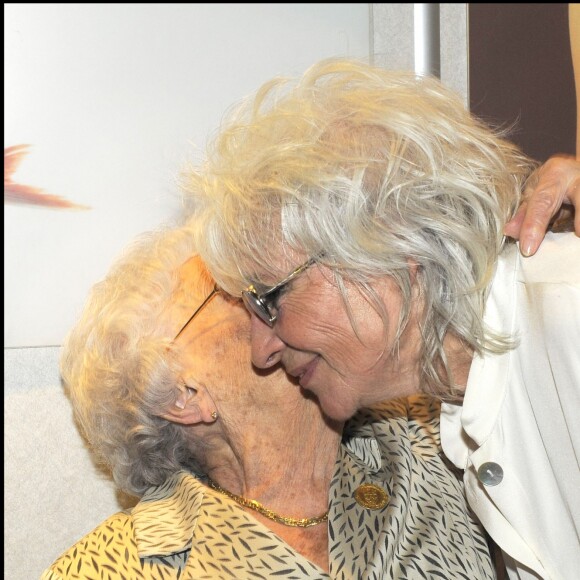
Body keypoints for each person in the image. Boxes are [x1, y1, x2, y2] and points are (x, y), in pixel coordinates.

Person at [186, 58, 580, 579]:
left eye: (268, 300)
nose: (262, 350)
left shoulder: (566, 321)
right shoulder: (472, 417)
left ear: (385, 249)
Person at [42, 223, 500, 579]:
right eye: (231, 292)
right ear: (186, 396)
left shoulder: (426, 428)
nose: (265, 299)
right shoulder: (109, 568)